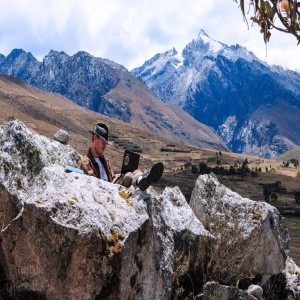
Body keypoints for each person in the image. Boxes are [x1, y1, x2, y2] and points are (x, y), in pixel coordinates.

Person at [79, 122, 164, 191]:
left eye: (106, 143)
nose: (105, 146)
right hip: (105, 191)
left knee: (132, 172)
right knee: (127, 176)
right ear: (94, 138)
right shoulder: (86, 162)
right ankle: (141, 180)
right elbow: (93, 184)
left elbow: (112, 178)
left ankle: (142, 180)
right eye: (103, 143)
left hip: (111, 186)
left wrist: (121, 176)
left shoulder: (105, 160)